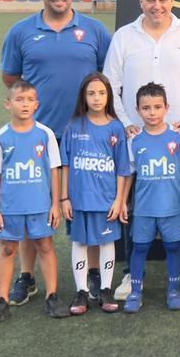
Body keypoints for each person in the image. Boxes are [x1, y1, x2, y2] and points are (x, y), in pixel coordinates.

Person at [0, 0, 111, 305]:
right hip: (40, 138)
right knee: (35, 208)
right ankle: (27, 276)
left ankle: (94, 274)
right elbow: (11, 79)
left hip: (87, 136)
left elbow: (107, 78)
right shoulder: (21, 32)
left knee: (88, 207)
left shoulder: (94, 30)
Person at [105, 0, 180, 299]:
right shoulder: (124, 37)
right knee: (133, 204)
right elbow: (111, 84)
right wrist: (125, 124)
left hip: (178, 136)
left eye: (163, 0)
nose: (157, 6)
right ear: (140, 2)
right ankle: (128, 275)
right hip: (137, 139)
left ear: (172, 1)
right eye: (151, 0)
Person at [0, 80, 67, 324]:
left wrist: (55, 204)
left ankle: (52, 295)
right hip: (10, 207)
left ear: (37, 104)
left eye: (30, 100)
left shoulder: (45, 134)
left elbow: (54, 170)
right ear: (8, 104)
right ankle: (2, 300)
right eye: (19, 99)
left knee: (45, 245)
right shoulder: (0, 138)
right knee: (8, 248)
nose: (25, 104)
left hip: (40, 205)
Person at [122, 82, 180, 313]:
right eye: (146, 108)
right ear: (137, 110)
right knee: (139, 248)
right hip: (144, 209)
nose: (152, 112)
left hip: (171, 208)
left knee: (173, 247)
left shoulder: (177, 137)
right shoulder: (134, 140)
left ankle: (173, 290)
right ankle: (135, 292)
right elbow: (128, 174)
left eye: (157, 107)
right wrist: (123, 201)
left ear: (167, 107)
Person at [59, 72, 129, 315]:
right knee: (79, 242)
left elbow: (122, 168)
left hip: (106, 200)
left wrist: (120, 200)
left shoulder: (116, 127)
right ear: (83, 97)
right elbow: (65, 164)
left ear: (108, 95)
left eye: (101, 93)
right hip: (78, 200)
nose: (97, 98)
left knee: (106, 242)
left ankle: (107, 289)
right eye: (91, 93)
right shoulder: (74, 126)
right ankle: (82, 291)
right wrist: (64, 197)